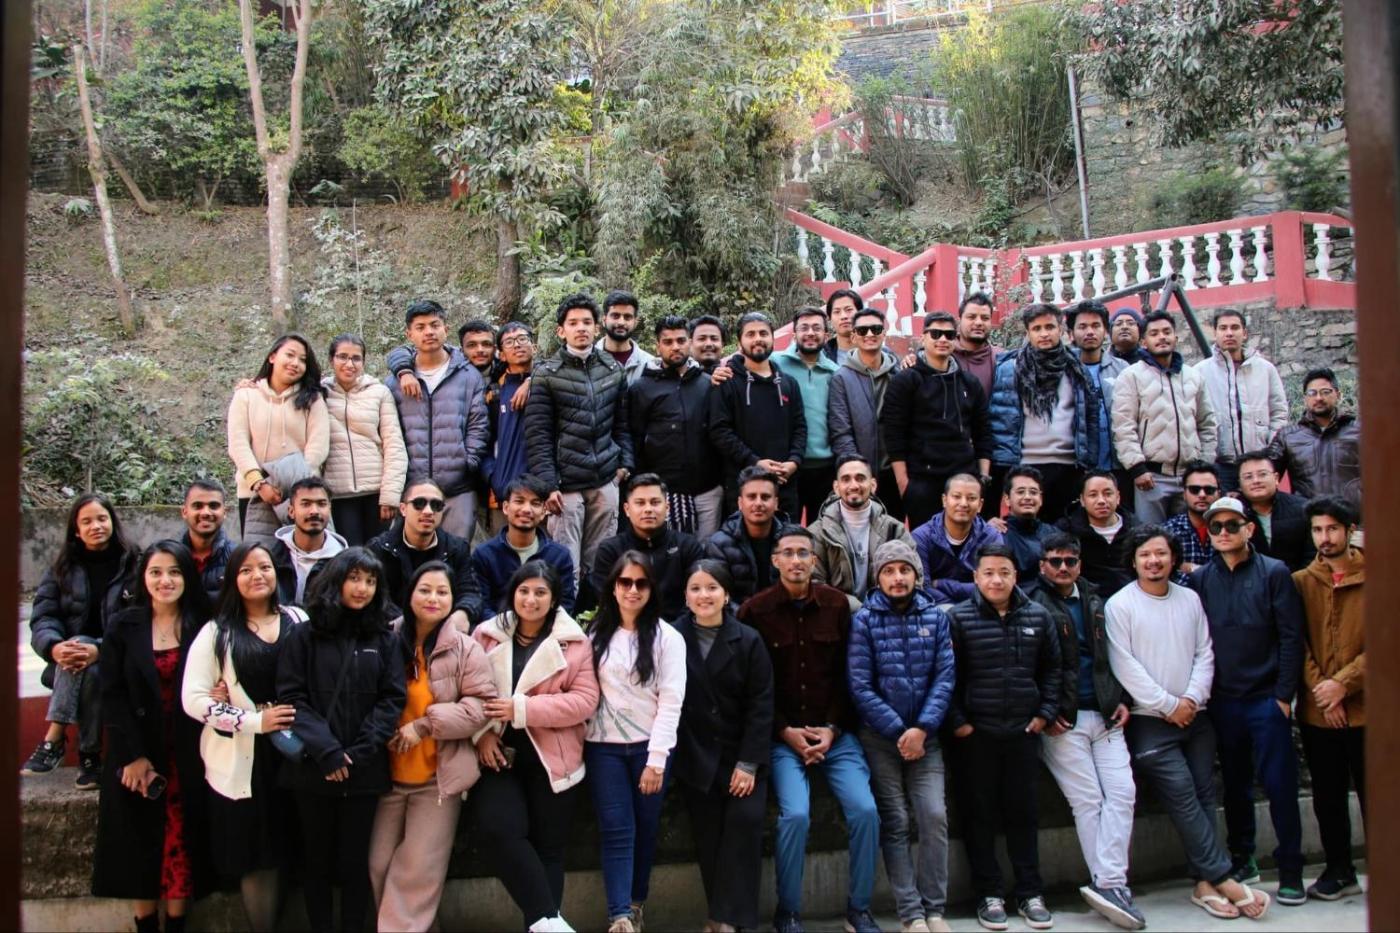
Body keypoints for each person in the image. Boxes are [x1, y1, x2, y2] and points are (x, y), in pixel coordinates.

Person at [1105, 526, 1270, 921]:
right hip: (1149, 721)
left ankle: (1203, 884)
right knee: (1181, 794)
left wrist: (1191, 700)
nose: (1154, 561)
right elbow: (1125, 665)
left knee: (1203, 794)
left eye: (1161, 553)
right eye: (1145, 555)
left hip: (1196, 716)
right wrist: (1167, 705)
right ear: (1133, 561)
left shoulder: (1190, 599)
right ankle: (1224, 878)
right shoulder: (1119, 605)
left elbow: (1204, 652)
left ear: (1173, 558)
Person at [739, 525, 880, 933]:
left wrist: (832, 728)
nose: (796, 560)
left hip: (835, 734)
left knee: (866, 811)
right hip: (783, 737)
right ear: (775, 560)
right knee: (796, 815)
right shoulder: (755, 611)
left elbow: (850, 676)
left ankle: (859, 909)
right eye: (788, 553)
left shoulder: (837, 606)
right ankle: (789, 911)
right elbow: (754, 686)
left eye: (804, 553)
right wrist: (786, 731)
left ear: (815, 561)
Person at [276, 548, 407, 933]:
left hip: (363, 771)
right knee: (315, 861)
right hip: (314, 769)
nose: (362, 588)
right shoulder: (305, 635)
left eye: (370, 581)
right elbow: (292, 696)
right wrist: (329, 752)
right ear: (337, 581)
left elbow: (391, 699)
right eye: (354, 578)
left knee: (355, 862)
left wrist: (357, 753)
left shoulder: (383, 639)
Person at [470, 561, 601, 933]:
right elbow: (466, 690)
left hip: (553, 758)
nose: (531, 599)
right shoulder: (486, 635)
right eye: (524, 590)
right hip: (498, 755)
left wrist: (522, 709)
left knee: (549, 849)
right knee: (499, 829)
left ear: (554, 598)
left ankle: (541, 926)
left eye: (540, 592)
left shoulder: (576, 643)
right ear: (512, 593)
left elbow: (584, 701)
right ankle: (551, 923)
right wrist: (481, 734)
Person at [1188, 496, 1306, 904]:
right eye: (1216, 527)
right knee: (1235, 786)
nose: (1224, 533)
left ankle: (1290, 870)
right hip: (1224, 700)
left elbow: (1291, 636)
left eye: (1232, 525)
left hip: (1266, 699)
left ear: (1249, 529)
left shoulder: (1275, 572)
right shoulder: (1202, 579)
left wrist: (1284, 696)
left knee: (1280, 784)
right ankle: (1243, 859)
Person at [92, 541, 213, 933]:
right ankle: (145, 925)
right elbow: (111, 694)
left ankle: (176, 924)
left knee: (181, 841)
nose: (166, 581)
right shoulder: (123, 625)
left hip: (188, 750)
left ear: (187, 576)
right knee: (139, 844)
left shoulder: (204, 622)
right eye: (156, 572)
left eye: (175, 572)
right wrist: (132, 757)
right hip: (137, 750)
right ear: (143, 578)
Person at [1025, 533, 1144, 931]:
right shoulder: (1032, 603)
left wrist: (1122, 697)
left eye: (1070, 561)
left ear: (1080, 564)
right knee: (1088, 800)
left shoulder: (1096, 599)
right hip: (1064, 720)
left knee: (1123, 793)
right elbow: (1031, 666)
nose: (1063, 568)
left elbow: (1114, 655)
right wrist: (1047, 710)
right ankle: (1112, 885)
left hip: (1106, 713)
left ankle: (1107, 883)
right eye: (1055, 561)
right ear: (1042, 565)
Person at [369, 561, 496, 932]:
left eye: (443, 592)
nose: (433, 598)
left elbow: (481, 708)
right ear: (409, 594)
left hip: (437, 779)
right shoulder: (385, 639)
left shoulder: (465, 648)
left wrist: (424, 726)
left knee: (417, 872)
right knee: (378, 865)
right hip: (387, 777)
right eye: (425, 590)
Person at [181, 541, 301, 932]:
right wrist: (253, 721)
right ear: (233, 579)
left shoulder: (298, 618)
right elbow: (193, 700)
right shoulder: (216, 632)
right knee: (257, 859)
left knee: (291, 852)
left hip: (296, 756)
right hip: (246, 764)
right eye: (245, 570)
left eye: (264, 567)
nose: (257, 575)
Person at [945, 543, 1061, 932]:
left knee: (1023, 814)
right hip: (976, 735)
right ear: (975, 577)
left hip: (1023, 732)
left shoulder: (1038, 616)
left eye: (1004, 573)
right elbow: (947, 676)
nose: (997, 580)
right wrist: (959, 722)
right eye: (989, 573)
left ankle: (1030, 892)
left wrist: (1044, 715)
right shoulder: (958, 618)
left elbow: (1053, 669)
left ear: (1016, 576)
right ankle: (989, 893)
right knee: (978, 816)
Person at [848, 541, 956, 933]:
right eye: (889, 571)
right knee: (894, 820)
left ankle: (935, 908)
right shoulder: (864, 620)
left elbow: (945, 677)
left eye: (905, 570)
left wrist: (922, 729)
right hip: (881, 738)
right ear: (878, 577)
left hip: (927, 738)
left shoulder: (936, 617)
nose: (898, 578)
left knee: (933, 816)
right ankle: (911, 913)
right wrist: (899, 730)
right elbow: (860, 684)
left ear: (916, 575)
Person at [585, 553, 687, 932]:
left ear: (651, 589)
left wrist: (656, 760)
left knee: (645, 829)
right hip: (603, 747)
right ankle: (620, 917)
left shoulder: (668, 638)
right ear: (613, 587)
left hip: (649, 747)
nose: (632, 590)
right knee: (616, 828)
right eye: (625, 582)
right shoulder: (594, 633)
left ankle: (635, 903)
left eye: (641, 583)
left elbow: (671, 700)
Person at [673, 561, 774, 933]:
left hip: (740, 754)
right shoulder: (671, 637)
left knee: (745, 823)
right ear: (686, 595)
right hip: (695, 755)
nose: (704, 595)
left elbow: (761, 705)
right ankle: (721, 919)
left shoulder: (748, 639)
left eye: (712, 587)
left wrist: (748, 764)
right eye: (696, 588)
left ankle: (730, 919)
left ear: (726, 593)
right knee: (709, 835)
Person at [24, 493, 139, 785]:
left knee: (89, 655)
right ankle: (89, 757)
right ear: (76, 530)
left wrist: (99, 649)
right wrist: (54, 647)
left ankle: (55, 737)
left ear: (112, 522)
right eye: (86, 522)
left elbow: (138, 620)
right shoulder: (61, 568)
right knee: (88, 665)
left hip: (120, 658)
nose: (95, 526)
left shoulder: (133, 564)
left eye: (102, 519)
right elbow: (43, 618)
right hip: (71, 662)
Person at [525, 293, 634, 598]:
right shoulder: (547, 374)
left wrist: (624, 466)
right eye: (573, 323)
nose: (581, 328)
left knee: (601, 564)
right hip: (566, 487)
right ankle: (564, 619)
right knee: (565, 564)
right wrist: (548, 485)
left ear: (597, 327)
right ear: (561, 330)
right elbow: (537, 435)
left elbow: (622, 424)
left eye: (587, 322)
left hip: (605, 479)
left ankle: (598, 618)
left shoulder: (612, 369)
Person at [1294, 497, 1366, 900]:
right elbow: (1296, 642)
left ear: (1349, 530)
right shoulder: (1301, 582)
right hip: (1320, 711)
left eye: (1332, 529)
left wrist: (1343, 685)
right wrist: (1325, 692)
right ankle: (1339, 870)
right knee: (1328, 795)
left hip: (1371, 709)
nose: (1325, 537)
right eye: (1318, 530)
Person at [386, 300, 490, 544]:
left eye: (434, 325)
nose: (429, 332)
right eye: (420, 327)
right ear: (409, 334)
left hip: (458, 488)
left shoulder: (468, 375)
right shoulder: (395, 382)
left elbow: (479, 424)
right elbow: (389, 432)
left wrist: (468, 461)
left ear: (446, 328)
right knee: (412, 555)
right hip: (412, 489)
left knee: (456, 553)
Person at [988, 303, 1099, 521]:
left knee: (1064, 532)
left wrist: (1090, 461)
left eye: (1049, 327)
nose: (1044, 334)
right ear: (1028, 333)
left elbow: (1090, 417)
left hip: (1069, 466)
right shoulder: (1011, 369)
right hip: (1025, 466)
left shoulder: (1076, 369)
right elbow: (999, 419)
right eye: (1037, 329)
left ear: (1061, 329)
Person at [883, 311, 993, 529]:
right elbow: (894, 436)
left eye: (949, 335)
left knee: (966, 542)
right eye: (935, 334)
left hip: (964, 479)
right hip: (922, 481)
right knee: (926, 544)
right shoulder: (906, 381)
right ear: (923, 337)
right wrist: (905, 486)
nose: (942, 339)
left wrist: (983, 478)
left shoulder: (969, 383)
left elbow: (983, 433)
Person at [1111, 311, 1217, 524]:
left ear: (1175, 338)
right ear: (1144, 341)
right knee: (1152, 536)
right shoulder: (1131, 376)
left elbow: (1207, 423)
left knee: (1191, 534)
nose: (1162, 337)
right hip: (1151, 477)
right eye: (1154, 333)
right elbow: (1123, 427)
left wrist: (1204, 465)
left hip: (1190, 476)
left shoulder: (1194, 377)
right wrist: (1137, 469)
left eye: (1167, 332)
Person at [227, 333, 330, 539]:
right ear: (272, 356)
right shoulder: (246, 395)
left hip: (299, 496)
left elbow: (318, 447)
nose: (295, 363)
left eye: (302, 360)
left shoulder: (312, 399)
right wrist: (259, 483)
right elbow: (238, 444)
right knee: (257, 553)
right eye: (290, 355)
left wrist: (297, 487)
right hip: (253, 493)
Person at [629, 316, 725, 537]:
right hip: (664, 491)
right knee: (673, 552)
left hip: (708, 489)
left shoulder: (708, 384)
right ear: (657, 346)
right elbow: (634, 440)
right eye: (668, 342)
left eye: (681, 341)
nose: (675, 347)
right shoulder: (641, 389)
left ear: (689, 342)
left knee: (707, 552)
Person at [709, 312, 807, 520]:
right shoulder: (726, 382)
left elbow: (800, 427)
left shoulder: (789, 383)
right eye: (750, 334)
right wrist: (755, 462)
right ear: (739, 343)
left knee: (786, 538)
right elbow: (720, 432)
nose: (757, 339)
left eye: (763, 333)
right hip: (744, 486)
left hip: (784, 484)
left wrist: (794, 462)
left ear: (772, 338)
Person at [322, 334, 409, 546]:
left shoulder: (379, 392)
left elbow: (394, 445)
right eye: (342, 357)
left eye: (356, 358)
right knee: (348, 554)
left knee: (378, 554)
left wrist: (390, 495)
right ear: (331, 359)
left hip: (376, 493)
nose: (349, 364)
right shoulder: (319, 393)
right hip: (338, 495)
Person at [1191, 310, 1288, 495]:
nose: (1229, 333)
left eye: (1235, 327)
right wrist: (1205, 457)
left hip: (1259, 461)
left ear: (1244, 333)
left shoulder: (1266, 369)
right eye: (1223, 328)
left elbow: (1279, 413)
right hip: (1220, 464)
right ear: (1215, 333)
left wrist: (1271, 451)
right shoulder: (1200, 372)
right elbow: (1195, 418)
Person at [366, 479, 485, 627]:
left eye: (436, 505)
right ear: (403, 509)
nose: (428, 511)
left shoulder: (457, 548)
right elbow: (376, 598)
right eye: (419, 503)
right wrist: (412, 624)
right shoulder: (379, 548)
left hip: (443, 626)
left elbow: (470, 592)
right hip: (394, 628)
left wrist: (462, 613)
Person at [591, 474, 705, 622]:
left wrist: (670, 632)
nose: (648, 509)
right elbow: (606, 599)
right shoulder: (610, 550)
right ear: (627, 509)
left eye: (655, 502)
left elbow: (697, 596)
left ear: (667, 508)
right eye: (640, 503)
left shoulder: (687, 546)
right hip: (626, 627)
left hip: (679, 629)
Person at [809, 455, 915, 601]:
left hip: (887, 610)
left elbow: (915, 578)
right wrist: (852, 606)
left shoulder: (895, 530)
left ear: (873, 485)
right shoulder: (817, 533)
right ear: (836, 487)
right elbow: (814, 584)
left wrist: (878, 607)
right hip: (838, 611)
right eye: (846, 479)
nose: (854, 486)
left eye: (860, 478)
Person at [830, 307, 902, 520]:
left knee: (894, 532)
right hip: (862, 475)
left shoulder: (898, 374)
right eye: (862, 330)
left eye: (876, 329)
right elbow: (840, 431)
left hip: (895, 472)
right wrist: (858, 473)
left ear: (884, 333)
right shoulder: (841, 378)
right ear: (853, 336)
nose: (869, 334)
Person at [771, 306, 841, 524]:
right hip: (787, 466)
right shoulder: (775, 363)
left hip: (825, 467)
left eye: (816, 328)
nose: (810, 333)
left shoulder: (835, 372)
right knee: (785, 529)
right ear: (794, 334)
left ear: (826, 335)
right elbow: (745, 365)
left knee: (821, 530)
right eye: (804, 328)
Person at [472, 474, 578, 616]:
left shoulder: (559, 556)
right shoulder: (484, 554)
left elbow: (564, 605)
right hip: (497, 627)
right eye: (519, 501)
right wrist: (508, 626)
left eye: (535, 503)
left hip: (545, 628)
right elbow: (481, 606)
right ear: (505, 507)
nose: (527, 509)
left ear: (544, 511)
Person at [1267, 367, 1362, 516]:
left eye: (1325, 392)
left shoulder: (1360, 431)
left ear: (1338, 394)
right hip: (1307, 522)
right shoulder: (1288, 436)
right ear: (1305, 398)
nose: (1318, 398)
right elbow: (1266, 472)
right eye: (1312, 393)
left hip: (1353, 522)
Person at [1067, 301, 1132, 498]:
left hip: (1119, 465)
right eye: (1082, 326)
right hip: (1076, 467)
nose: (1090, 332)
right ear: (1071, 334)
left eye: (1096, 326)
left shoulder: (1123, 370)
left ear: (1106, 331)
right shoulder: (1063, 371)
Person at [911, 474, 1004, 604]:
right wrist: (956, 609)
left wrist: (942, 584)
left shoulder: (991, 537)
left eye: (971, 498)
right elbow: (922, 588)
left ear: (980, 505)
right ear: (944, 500)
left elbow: (993, 585)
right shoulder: (921, 537)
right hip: (936, 608)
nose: (964, 503)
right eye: (956, 497)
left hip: (979, 607)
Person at [482, 321, 537, 529]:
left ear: (534, 346)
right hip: (505, 490)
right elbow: (484, 442)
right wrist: (494, 477)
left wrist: (532, 380)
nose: (517, 345)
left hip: (543, 489)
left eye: (522, 339)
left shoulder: (549, 382)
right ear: (502, 354)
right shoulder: (495, 393)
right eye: (509, 342)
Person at [705, 467, 788, 602]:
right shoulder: (719, 545)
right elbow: (720, 597)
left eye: (765, 497)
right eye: (751, 497)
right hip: (739, 613)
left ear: (776, 503)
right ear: (740, 503)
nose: (758, 503)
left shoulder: (791, 540)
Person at [1056, 471, 1139, 597]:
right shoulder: (1066, 530)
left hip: (1131, 597)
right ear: (1082, 500)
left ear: (1118, 497)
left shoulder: (1137, 529)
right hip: (1086, 599)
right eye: (1093, 495)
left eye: (1108, 494)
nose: (1101, 501)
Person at [268, 476, 346, 605]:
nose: (314, 511)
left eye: (321, 504)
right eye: (306, 504)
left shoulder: (343, 562)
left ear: (329, 509)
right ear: (291, 511)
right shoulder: (272, 558)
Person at [1237, 451, 1316, 572]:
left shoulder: (1302, 508)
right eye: (1248, 477)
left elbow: (1312, 554)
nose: (1256, 481)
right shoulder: (1232, 513)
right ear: (1239, 483)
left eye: (1262, 474)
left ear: (1276, 478)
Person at [990, 466, 1060, 583]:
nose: (1027, 497)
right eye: (1020, 492)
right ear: (1007, 499)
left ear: (1041, 499)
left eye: (1033, 492)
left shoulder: (1055, 534)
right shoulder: (996, 535)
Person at [179, 479, 237, 603]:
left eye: (213, 506)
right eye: (197, 506)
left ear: (224, 512)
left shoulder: (238, 558)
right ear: (184, 512)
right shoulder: (171, 558)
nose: (205, 512)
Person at [1161, 461, 1223, 575]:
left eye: (1209, 490)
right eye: (1194, 489)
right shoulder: (1168, 531)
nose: (1202, 495)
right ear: (1184, 494)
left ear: (1218, 494)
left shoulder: (1230, 529)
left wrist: (1191, 569)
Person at [598, 290, 658, 384]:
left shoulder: (649, 364)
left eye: (627, 317)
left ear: (635, 322)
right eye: (615, 316)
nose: (621, 322)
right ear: (604, 320)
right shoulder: (588, 360)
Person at [952, 292, 1002, 399]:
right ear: (960, 320)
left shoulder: (1001, 359)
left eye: (985, 318)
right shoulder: (946, 356)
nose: (979, 323)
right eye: (971, 317)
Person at [822, 288, 863, 363]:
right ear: (830, 318)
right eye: (837, 312)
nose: (843, 316)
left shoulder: (878, 353)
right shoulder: (821, 356)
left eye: (849, 310)